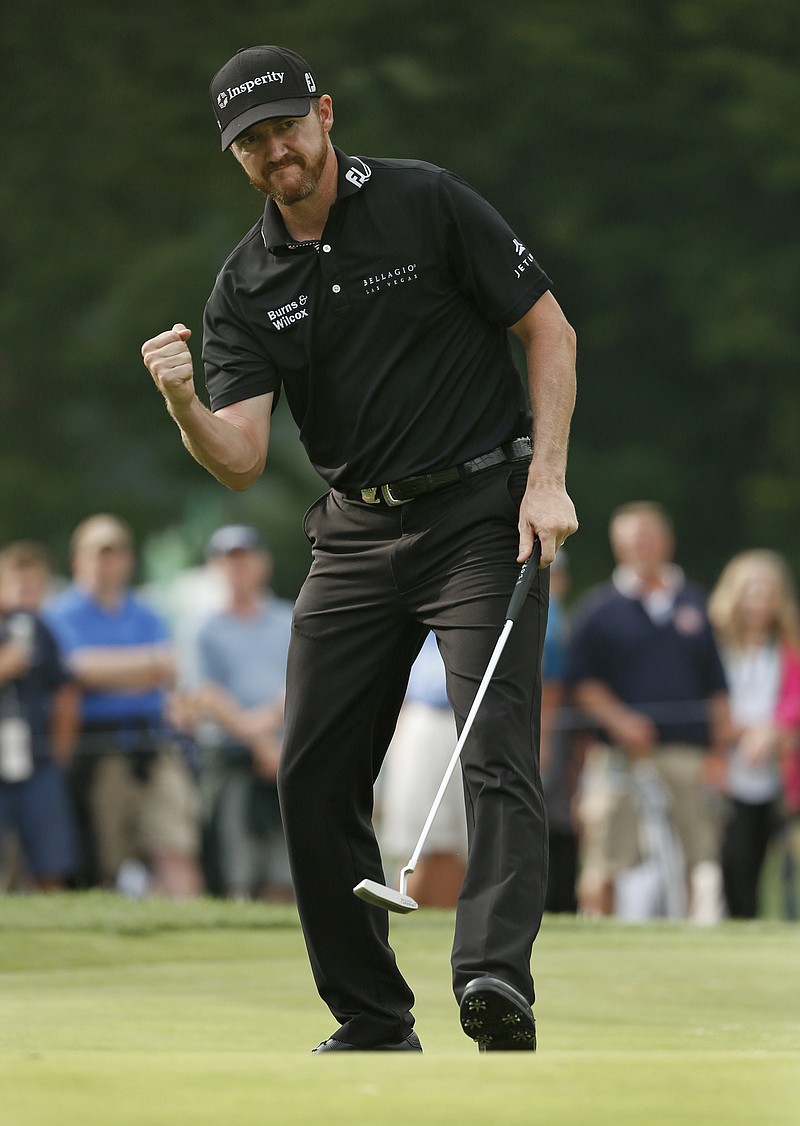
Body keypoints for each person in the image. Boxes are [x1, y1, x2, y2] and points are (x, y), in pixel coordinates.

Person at [142, 44, 577, 1053]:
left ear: (324, 114)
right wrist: (181, 404)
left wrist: (546, 478)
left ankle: (491, 978)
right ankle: (372, 1015)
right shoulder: (244, 286)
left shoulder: (425, 203)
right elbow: (241, 458)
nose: (274, 152)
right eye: (251, 142)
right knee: (309, 770)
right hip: (354, 534)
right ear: (235, 157)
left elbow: (546, 331)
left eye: (285, 127)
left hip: (482, 509)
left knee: (493, 744)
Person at [567, 502, 729, 922]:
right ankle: (599, 944)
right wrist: (620, 720)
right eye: (632, 539)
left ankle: (700, 949)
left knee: (701, 857)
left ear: (667, 542)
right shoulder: (598, 610)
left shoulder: (696, 604)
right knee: (606, 856)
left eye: (649, 536)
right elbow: (582, 683)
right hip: (619, 756)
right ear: (618, 547)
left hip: (688, 754)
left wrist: (720, 754)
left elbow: (717, 687)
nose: (642, 546)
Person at [44, 514, 202, 897]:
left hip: (152, 742)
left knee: (175, 845)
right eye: (98, 554)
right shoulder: (59, 613)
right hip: (95, 748)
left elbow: (168, 667)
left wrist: (107, 670)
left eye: (114, 554)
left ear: (127, 561)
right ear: (77, 560)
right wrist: (143, 667)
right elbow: (76, 670)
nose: (106, 564)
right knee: (105, 858)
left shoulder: (146, 611)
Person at [188, 524, 294, 900]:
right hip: (231, 757)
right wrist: (259, 741)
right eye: (228, 561)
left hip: (286, 754)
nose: (238, 569)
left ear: (262, 564)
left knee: (286, 866)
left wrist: (266, 735)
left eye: (245, 559)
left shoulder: (289, 618)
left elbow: (302, 681)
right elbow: (206, 694)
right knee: (234, 863)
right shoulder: (205, 629)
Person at [707, 550, 800, 918]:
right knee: (730, 862)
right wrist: (738, 731)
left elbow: (793, 700)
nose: (759, 602)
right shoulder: (716, 646)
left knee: (769, 864)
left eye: (768, 593)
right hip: (724, 770)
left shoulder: (788, 648)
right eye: (751, 591)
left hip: (776, 772)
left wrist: (772, 732)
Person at [0, 541, 79, 891]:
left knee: (51, 862)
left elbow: (65, 690)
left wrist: (60, 753)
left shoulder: (42, 631)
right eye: (18, 585)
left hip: (36, 759)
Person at [378, 630, 468, 909]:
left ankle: (446, 930)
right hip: (422, 717)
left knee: (452, 846)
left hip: (466, 719)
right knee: (422, 846)